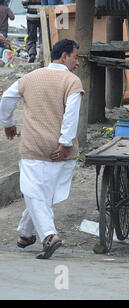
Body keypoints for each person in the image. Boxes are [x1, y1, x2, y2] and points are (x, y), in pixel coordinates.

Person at [0, 39, 83, 259]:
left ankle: (48, 236)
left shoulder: (28, 78)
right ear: (63, 56)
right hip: (61, 151)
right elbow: (71, 115)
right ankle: (27, 234)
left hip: (34, 146)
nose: (78, 62)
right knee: (39, 194)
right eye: (76, 57)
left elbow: (7, 99)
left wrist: (8, 123)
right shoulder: (72, 82)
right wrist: (65, 143)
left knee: (34, 192)